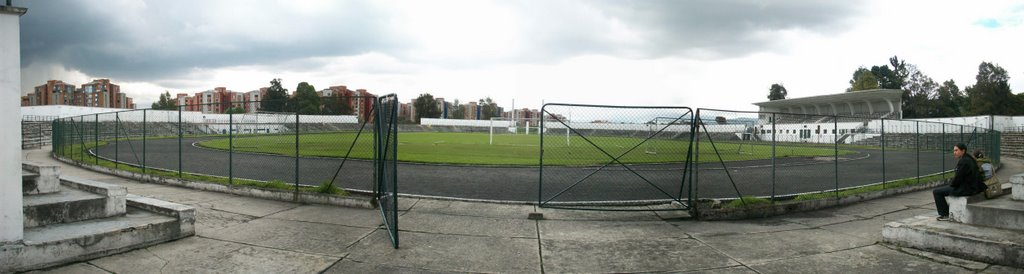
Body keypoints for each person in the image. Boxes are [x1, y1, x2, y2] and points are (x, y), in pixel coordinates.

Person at [933, 143, 986, 221]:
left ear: (963, 151)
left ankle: (945, 214)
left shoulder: (963, 161)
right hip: (974, 187)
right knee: (945, 189)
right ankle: (946, 212)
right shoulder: (969, 158)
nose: (954, 152)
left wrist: (951, 185)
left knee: (937, 192)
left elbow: (957, 179)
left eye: (956, 150)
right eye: (954, 150)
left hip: (967, 188)